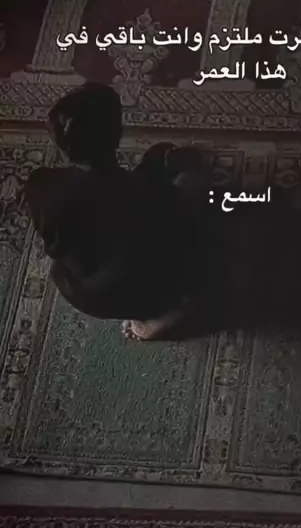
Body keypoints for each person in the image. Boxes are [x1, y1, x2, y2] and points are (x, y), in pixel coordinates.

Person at [24, 82, 209, 341]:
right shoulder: (140, 193)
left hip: (79, 291)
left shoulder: (40, 185)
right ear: (117, 134)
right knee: (193, 199)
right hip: (139, 292)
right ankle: (160, 315)